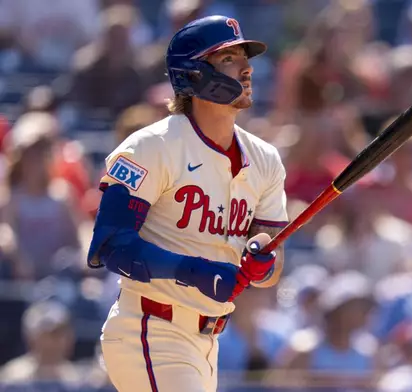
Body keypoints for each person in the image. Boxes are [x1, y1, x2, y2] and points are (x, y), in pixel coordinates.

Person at [86, 15, 289, 392]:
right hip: (149, 328)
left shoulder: (265, 159)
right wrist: (194, 271)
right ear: (193, 74)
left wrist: (263, 262)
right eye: (228, 58)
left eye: (244, 57)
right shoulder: (151, 146)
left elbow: (272, 265)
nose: (246, 68)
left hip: (209, 341)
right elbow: (111, 245)